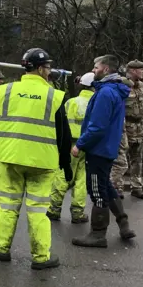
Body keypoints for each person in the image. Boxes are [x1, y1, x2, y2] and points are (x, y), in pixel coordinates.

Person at [0, 48, 72, 270]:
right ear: (40, 69)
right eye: (48, 68)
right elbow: (63, 134)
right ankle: (41, 258)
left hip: (10, 160)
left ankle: (0, 249)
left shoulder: (6, 91)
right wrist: (66, 164)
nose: (49, 72)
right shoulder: (54, 96)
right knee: (38, 211)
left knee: (7, 206)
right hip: (42, 164)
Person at [71, 55, 136, 248]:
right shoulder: (113, 90)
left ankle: (98, 234)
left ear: (106, 69)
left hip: (99, 149)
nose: (94, 70)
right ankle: (123, 223)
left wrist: (79, 144)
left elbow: (97, 127)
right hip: (107, 148)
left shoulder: (106, 93)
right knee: (106, 186)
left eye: (96, 67)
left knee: (97, 190)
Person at [46, 72, 95, 224]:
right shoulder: (97, 103)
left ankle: (54, 209)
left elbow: (60, 122)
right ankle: (77, 212)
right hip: (87, 146)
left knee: (63, 176)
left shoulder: (71, 102)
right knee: (81, 180)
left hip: (70, 145)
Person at [124, 60, 143, 200]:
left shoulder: (141, 85)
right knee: (120, 160)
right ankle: (115, 188)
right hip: (126, 127)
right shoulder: (122, 85)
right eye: (141, 69)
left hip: (139, 127)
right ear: (134, 70)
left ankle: (136, 187)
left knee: (137, 159)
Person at [110, 73, 135, 199]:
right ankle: (110, 186)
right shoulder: (118, 100)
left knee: (118, 164)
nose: (130, 92)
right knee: (121, 164)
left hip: (119, 139)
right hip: (116, 139)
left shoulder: (118, 99)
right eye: (128, 89)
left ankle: (116, 187)